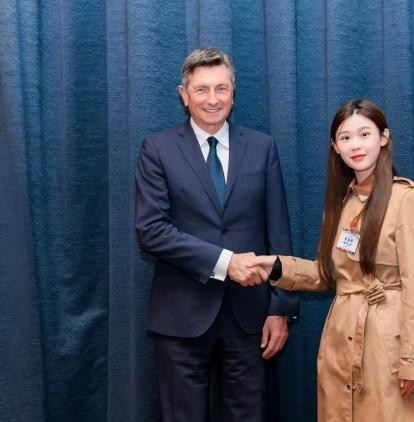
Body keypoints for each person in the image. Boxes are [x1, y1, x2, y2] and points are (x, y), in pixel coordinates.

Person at [135, 47, 299, 422]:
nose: (213, 99)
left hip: (251, 318)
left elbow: (279, 234)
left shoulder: (262, 147)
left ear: (233, 92)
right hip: (180, 317)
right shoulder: (157, 149)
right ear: (184, 94)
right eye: (202, 89)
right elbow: (152, 231)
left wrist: (281, 309)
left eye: (221, 88)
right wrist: (226, 263)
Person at [253, 99, 414, 421]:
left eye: (364, 134)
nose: (355, 145)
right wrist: (277, 266)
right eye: (345, 137)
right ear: (335, 147)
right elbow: (329, 275)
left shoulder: (407, 198)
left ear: (383, 138)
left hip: (387, 344)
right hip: (339, 339)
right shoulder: (340, 205)